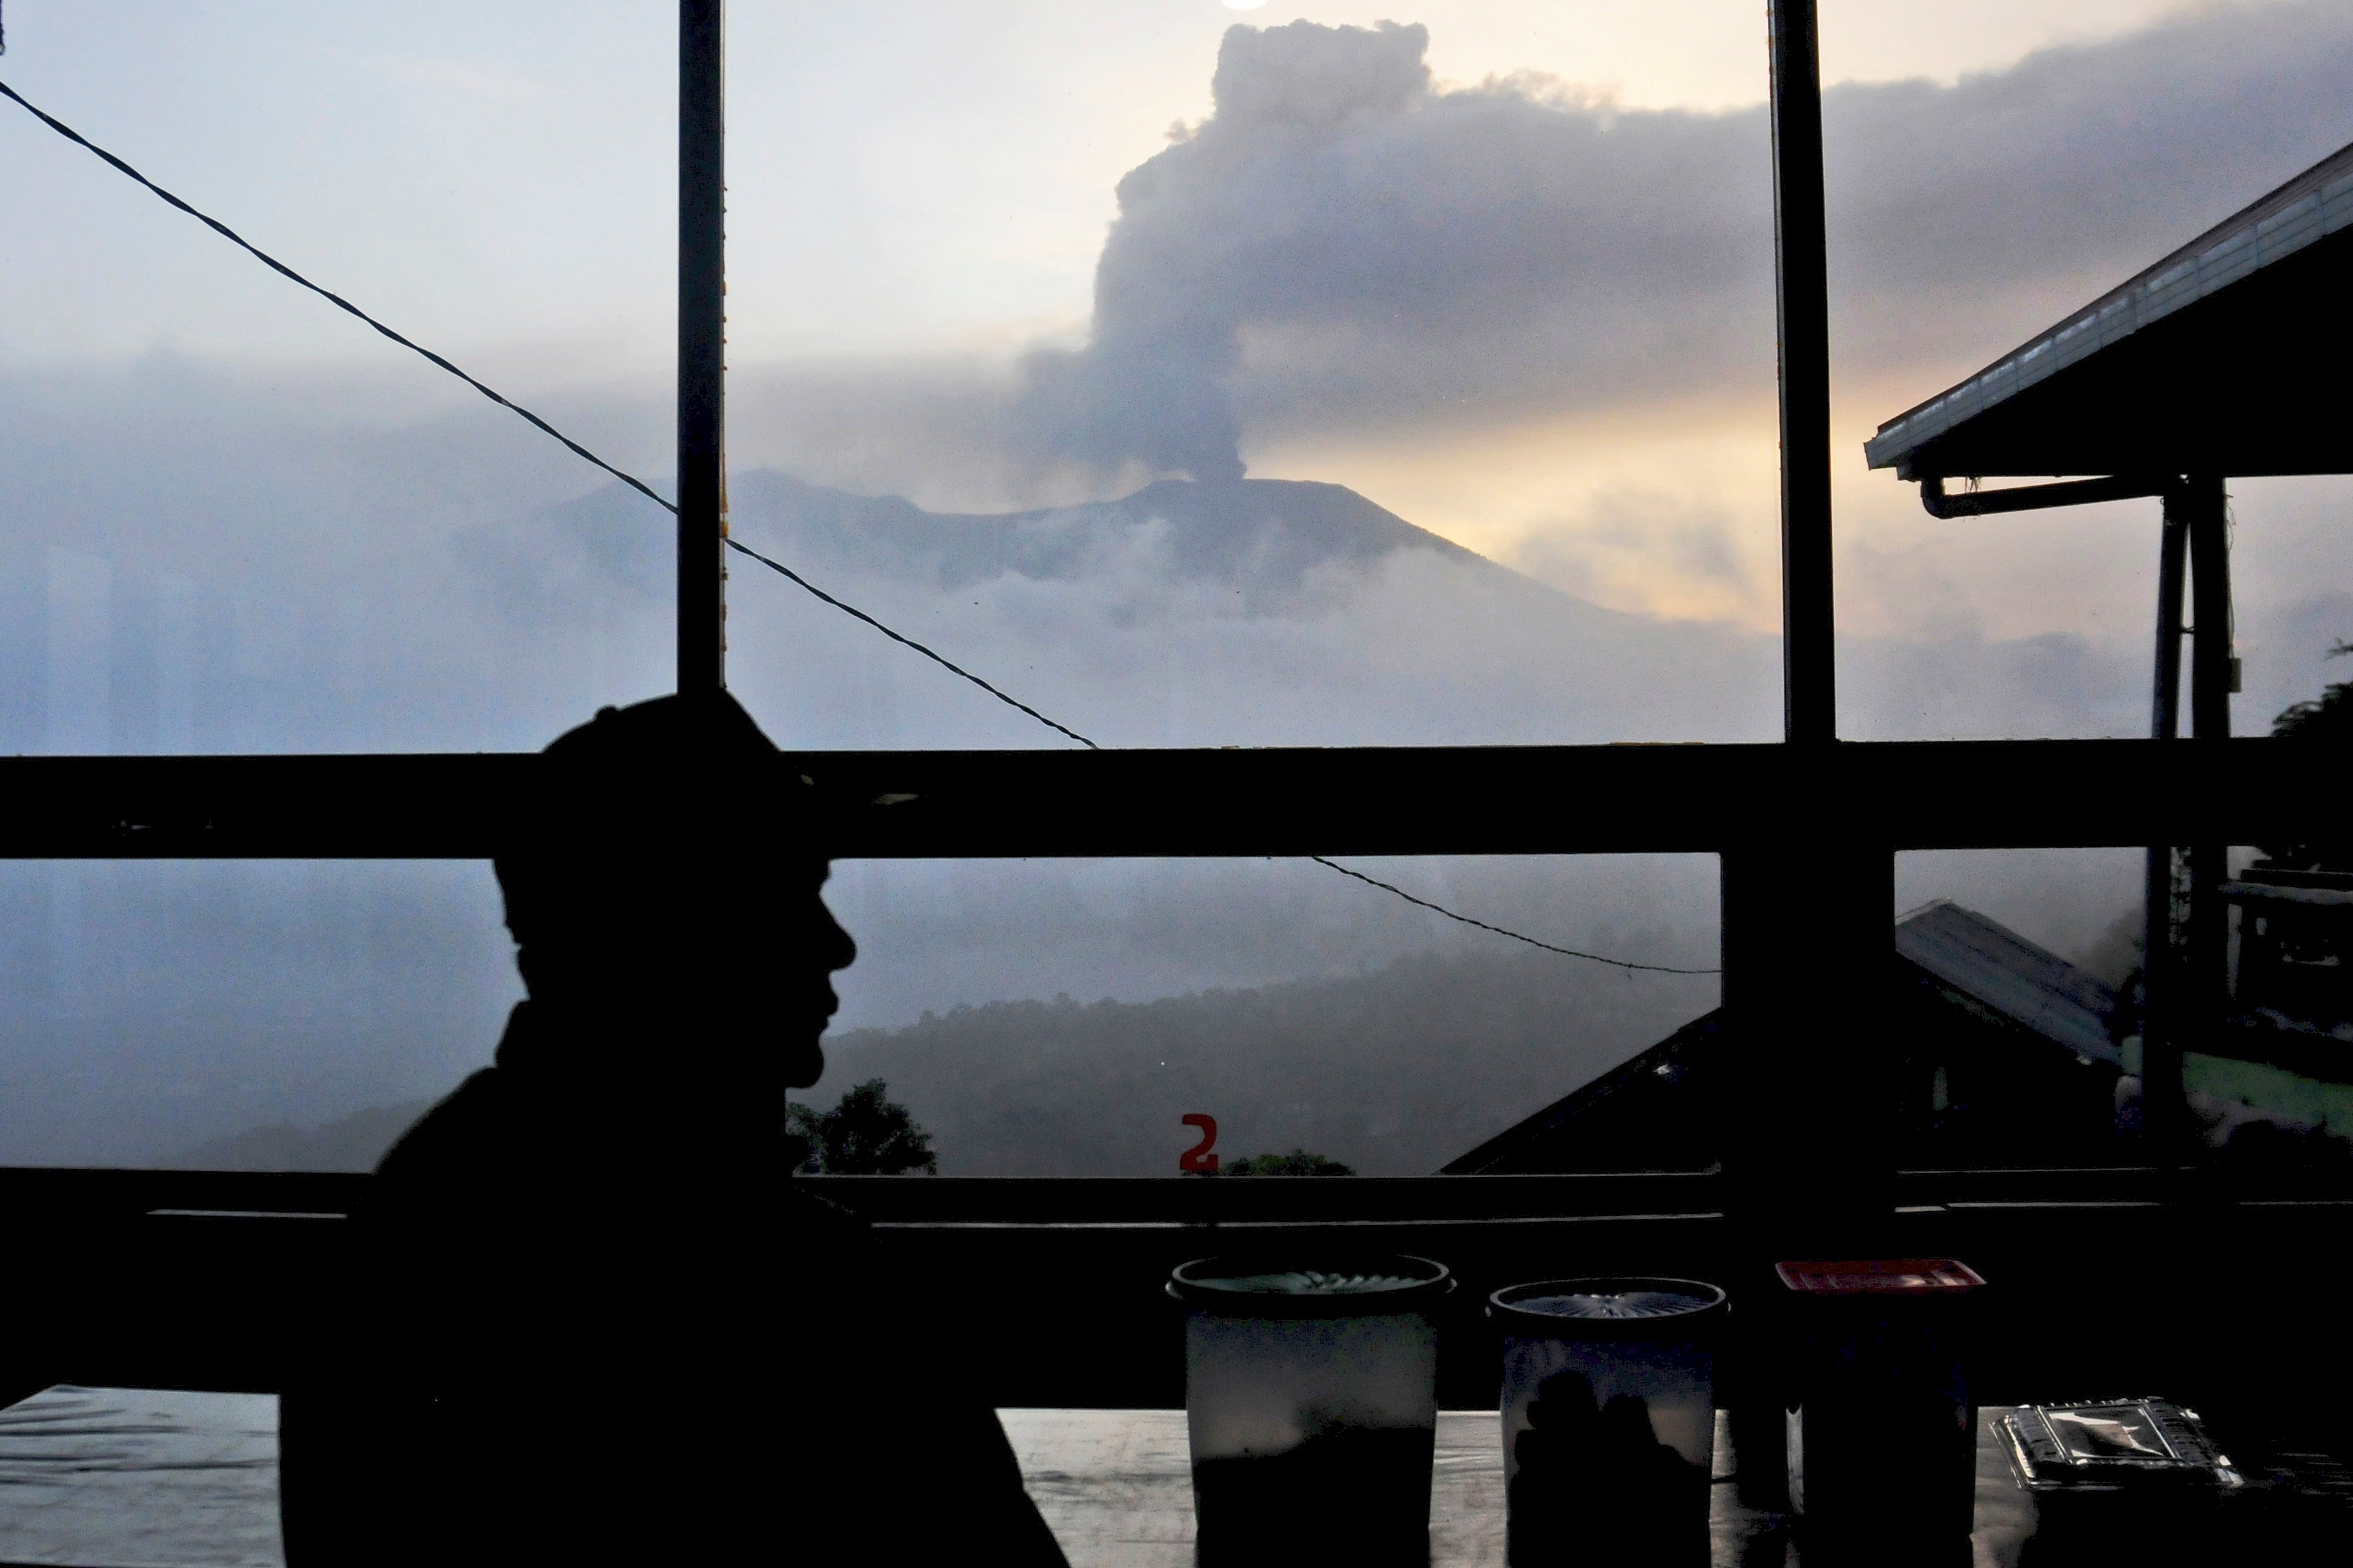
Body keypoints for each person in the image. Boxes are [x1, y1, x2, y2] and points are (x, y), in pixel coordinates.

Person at [280, 691, 1067, 1567]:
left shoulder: (420, 1228)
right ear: (680, 927)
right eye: (790, 892)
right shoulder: (799, 1288)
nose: (836, 944)